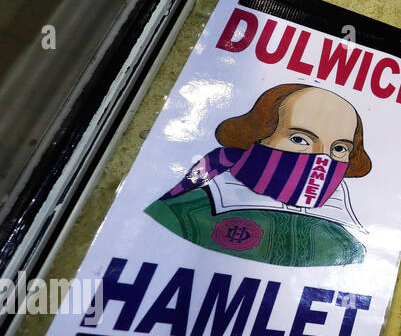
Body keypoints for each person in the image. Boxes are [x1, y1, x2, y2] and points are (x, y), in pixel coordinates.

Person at [144, 83, 370, 266]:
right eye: (300, 139)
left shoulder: (346, 246)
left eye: (340, 148)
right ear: (258, 136)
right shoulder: (181, 213)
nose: (322, 158)